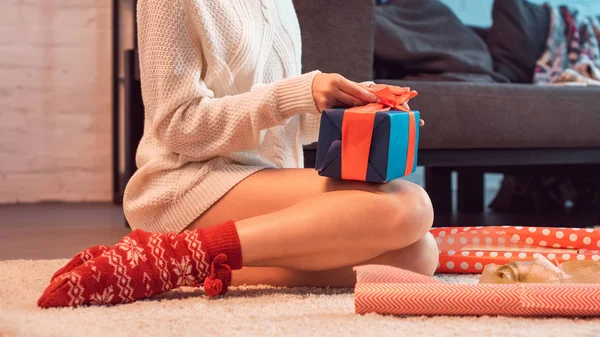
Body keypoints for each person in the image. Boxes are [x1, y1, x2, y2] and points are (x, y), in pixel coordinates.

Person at [37, 0, 437, 307]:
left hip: (260, 180)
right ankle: (179, 253)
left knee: (417, 257)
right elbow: (176, 126)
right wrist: (291, 95)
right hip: (187, 185)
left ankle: (181, 265)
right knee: (408, 204)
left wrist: (360, 107)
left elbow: (279, 124)